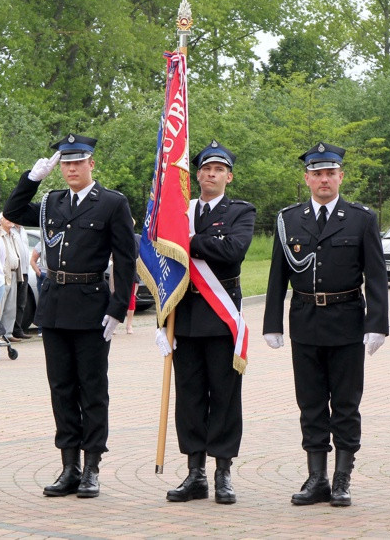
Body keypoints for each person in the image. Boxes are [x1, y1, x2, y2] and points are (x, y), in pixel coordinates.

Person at [3, 133, 136, 498]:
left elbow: (125, 258)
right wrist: (31, 179)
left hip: (92, 306)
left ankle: (92, 466)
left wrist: (118, 306)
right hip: (55, 305)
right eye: (66, 163)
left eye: (78, 162)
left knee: (92, 389)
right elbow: (12, 214)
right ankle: (69, 466)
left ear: (92, 163)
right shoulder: (51, 203)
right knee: (61, 388)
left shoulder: (111, 203)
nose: (72, 168)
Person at [262, 142, 389, 507]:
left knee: (346, 404)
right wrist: (273, 322)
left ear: (340, 177)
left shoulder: (361, 218)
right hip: (305, 321)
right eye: (317, 173)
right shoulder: (289, 219)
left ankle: (342, 479)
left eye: (330, 173)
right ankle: (316, 478)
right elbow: (277, 275)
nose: (324, 179)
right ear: (307, 179)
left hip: (347, 321)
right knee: (312, 404)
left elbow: (376, 276)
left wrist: (376, 323)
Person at [155, 141, 255, 505]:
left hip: (221, 315)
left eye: (218, 169)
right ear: (196, 174)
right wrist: (161, 320)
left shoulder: (241, 211)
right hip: (184, 317)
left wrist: (192, 240)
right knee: (190, 397)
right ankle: (195, 473)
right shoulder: (180, 210)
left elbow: (234, 251)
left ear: (229, 175)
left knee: (225, 397)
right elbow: (162, 254)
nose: (210, 174)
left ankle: (223, 472)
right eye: (205, 169)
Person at [0, 214, 22, 343]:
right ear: (1, 220)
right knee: (0, 305)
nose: (10, 221)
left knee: (11, 306)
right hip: (3, 273)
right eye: (7, 218)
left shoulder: (13, 234)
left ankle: (8, 332)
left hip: (14, 272)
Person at [10, 221, 32, 339]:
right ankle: (9, 329)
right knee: (11, 303)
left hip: (25, 270)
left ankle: (18, 329)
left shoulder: (23, 230)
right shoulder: (10, 229)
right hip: (15, 270)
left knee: (21, 302)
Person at [30, 240, 47, 337]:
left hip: (56, 275)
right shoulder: (42, 243)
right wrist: (39, 273)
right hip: (44, 274)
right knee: (42, 302)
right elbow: (33, 261)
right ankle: (41, 328)